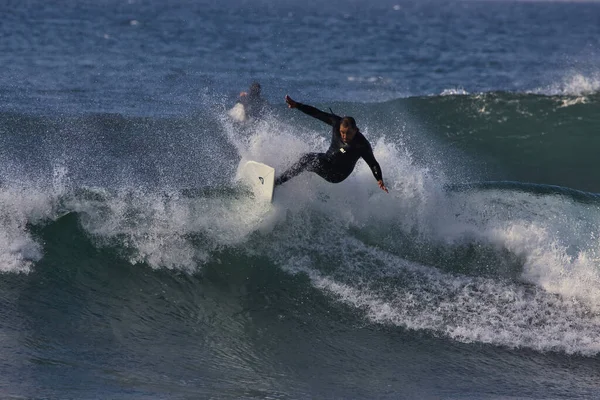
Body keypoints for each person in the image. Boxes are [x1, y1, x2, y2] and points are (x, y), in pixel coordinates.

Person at [275, 95, 388, 193]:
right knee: (302, 158)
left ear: (356, 130)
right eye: (342, 132)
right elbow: (317, 113)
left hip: (337, 174)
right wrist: (297, 105)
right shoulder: (336, 123)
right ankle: (280, 176)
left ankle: (277, 182)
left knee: (308, 159)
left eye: (348, 133)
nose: (344, 136)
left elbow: (373, 163)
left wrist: (379, 179)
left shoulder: (361, 144)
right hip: (327, 159)